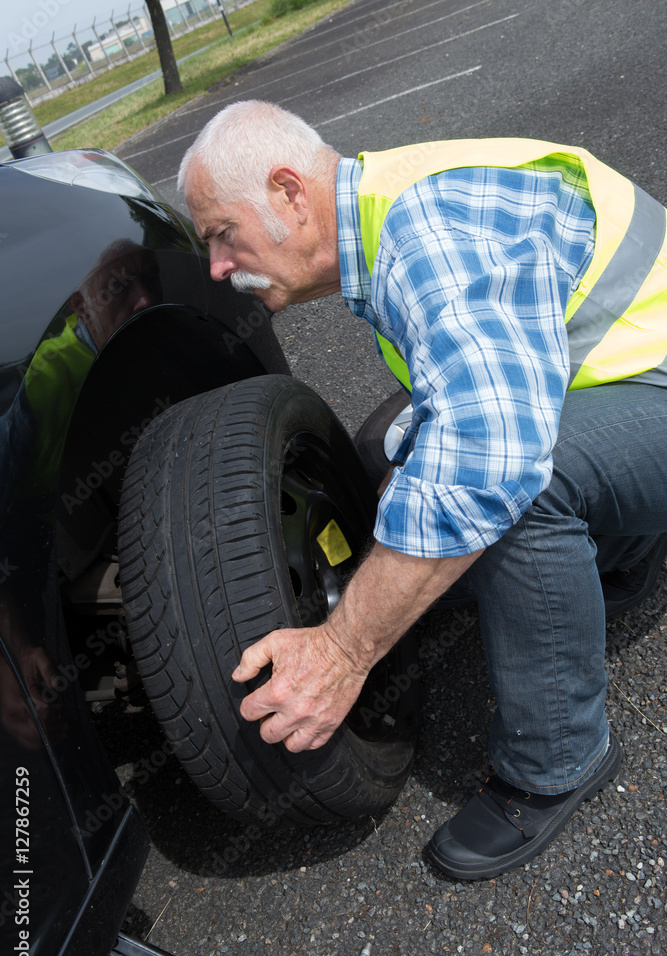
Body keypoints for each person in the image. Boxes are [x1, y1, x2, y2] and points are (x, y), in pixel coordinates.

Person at [178, 100, 667, 880]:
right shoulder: (382, 214)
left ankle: (560, 758)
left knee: (517, 492)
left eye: (220, 235)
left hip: (655, 385)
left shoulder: (426, 238)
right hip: (627, 379)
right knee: (391, 445)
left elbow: (490, 464)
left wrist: (345, 649)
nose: (215, 268)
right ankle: (623, 546)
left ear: (288, 193)